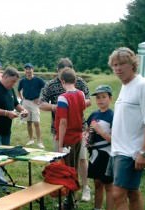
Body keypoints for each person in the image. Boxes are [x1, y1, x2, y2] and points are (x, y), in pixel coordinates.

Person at [107, 47, 145, 210]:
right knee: (132, 192)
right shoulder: (125, 85)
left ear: (133, 65)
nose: (118, 68)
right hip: (117, 149)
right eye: (114, 65)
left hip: (132, 151)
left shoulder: (143, 86)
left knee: (117, 194)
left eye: (122, 64)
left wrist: (143, 152)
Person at [39, 58, 91, 201]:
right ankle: (65, 192)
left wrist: (71, 105)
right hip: (59, 132)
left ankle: (85, 187)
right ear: (58, 72)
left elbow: (89, 100)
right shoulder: (50, 85)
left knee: (81, 159)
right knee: (63, 163)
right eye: (62, 71)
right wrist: (56, 107)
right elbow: (41, 104)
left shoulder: (79, 82)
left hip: (78, 129)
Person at [0, 67, 28, 188]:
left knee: (5, 156)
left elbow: (15, 103)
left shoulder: (11, 90)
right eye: (12, 81)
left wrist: (23, 110)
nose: (13, 84)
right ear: (4, 77)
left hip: (6, 130)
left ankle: (0, 180)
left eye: (15, 82)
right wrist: (6, 113)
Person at [54, 67, 87, 210]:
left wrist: (60, 144)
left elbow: (63, 122)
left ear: (62, 81)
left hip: (68, 139)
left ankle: (69, 202)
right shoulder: (80, 94)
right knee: (73, 168)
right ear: (75, 80)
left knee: (68, 170)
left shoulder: (63, 98)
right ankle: (71, 199)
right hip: (78, 137)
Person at [86, 85, 114, 210]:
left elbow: (115, 140)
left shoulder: (113, 116)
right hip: (94, 154)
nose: (100, 100)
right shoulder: (93, 114)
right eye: (98, 97)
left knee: (108, 185)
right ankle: (97, 208)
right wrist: (86, 137)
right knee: (97, 183)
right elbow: (87, 130)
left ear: (110, 98)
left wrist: (100, 131)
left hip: (106, 154)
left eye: (103, 97)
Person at [17, 63, 46, 149]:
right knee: (28, 122)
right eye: (26, 69)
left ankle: (39, 142)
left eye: (29, 69)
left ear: (32, 70)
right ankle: (31, 139)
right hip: (26, 102)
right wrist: (22, 99)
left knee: (36, 122)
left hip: (35, 103)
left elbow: (46, 89)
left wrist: (40, 98)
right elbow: (18, 90)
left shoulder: (38, 80)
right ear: (25, 71)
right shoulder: (22, 81)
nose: (28, 71)